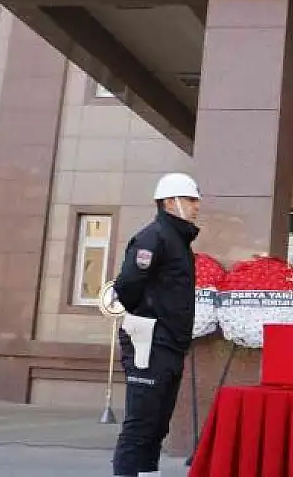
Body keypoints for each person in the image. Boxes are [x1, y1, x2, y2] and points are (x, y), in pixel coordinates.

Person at [111, 172, 202, 477]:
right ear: (169, 202)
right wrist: (148, 315)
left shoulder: (179, 242)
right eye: (190, 199)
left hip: (170, 347)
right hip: (150, 343)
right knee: (140, 427)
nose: (196, 206)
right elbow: (126, 286)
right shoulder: (154, 237)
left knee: (157, 428)